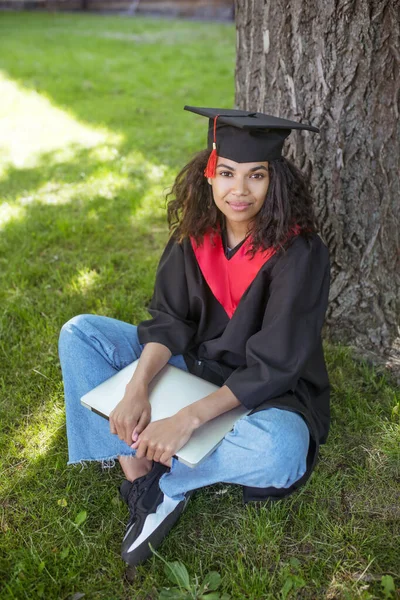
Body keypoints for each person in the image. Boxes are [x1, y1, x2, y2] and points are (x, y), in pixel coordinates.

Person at [59, 106, 330, 567]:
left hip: (264, 396)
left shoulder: (299, 252)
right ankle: (139, 470)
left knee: (280, 451)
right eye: (227, 173)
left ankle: (168, 487)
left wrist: (185, 420)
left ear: (274, 180)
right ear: (209, 173)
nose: (239, 190)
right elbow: (169, 320)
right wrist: (137, 387)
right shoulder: (196, 233)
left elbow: (275, 365)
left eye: (256, 176)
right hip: (193, 366)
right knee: (81, 332)